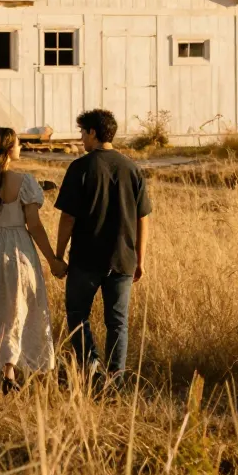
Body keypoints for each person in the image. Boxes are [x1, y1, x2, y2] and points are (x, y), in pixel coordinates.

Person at [0, 126, 66, 391]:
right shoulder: (25, 182)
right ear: (8, 150)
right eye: (18, 144)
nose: (21, 148)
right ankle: (8, 371)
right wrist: (52, 259)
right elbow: (35, 226)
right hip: (17, 248)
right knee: (16, 308)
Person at [52, 108, 151, 388]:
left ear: (93, 133)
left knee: (77, 314)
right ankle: (115, 379)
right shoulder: (132, 168)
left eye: (83, 132)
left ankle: (91, 366)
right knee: (117, 322)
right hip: (123, 258)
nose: (82, 138)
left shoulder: (81, 168)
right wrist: (140, 259)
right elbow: (143, 217)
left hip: (86, 258)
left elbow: (68, 217)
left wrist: (59, 255)